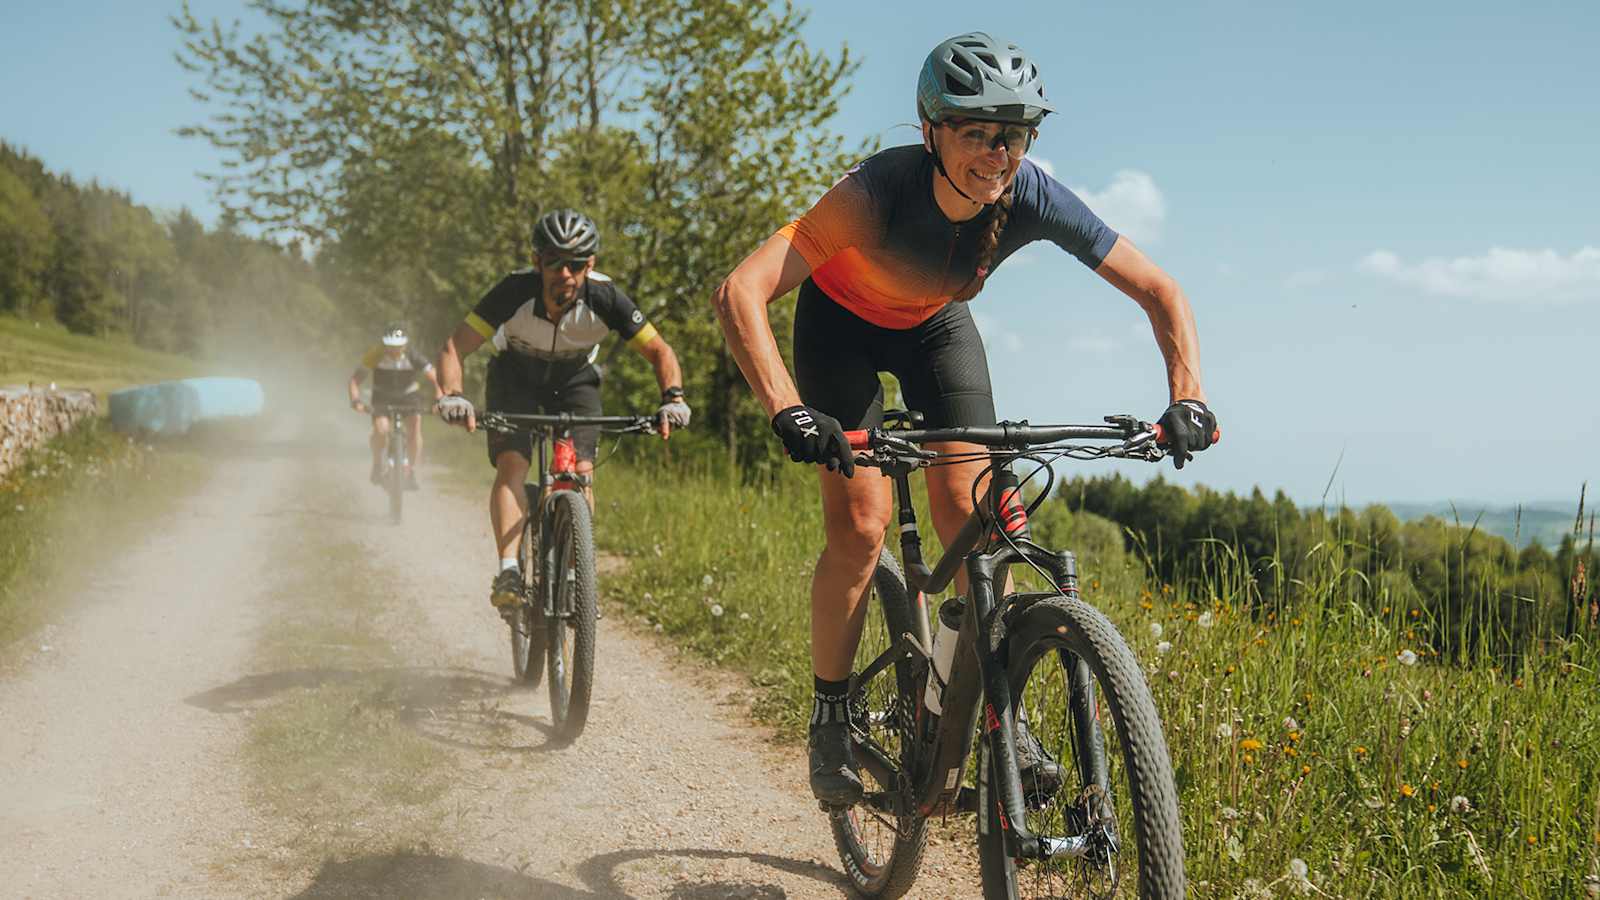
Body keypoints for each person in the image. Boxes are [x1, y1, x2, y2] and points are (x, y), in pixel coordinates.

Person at [711, 33, 1219, 805]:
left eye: (1014, 133)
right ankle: (830, 713)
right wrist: (787, 410)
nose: (998, 152)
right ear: (930, 131)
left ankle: (991, 709)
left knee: (980, 516)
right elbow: (740, 292)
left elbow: (1160, 289)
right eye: (978, 131)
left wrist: (1188, 395)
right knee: (862, 524)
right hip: (840, 328)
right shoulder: (875, 193)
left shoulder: (1033, 194)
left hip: (936, 328)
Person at [436, 208, 691, 610]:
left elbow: (659, 351)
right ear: (538, 261)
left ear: (590, 264)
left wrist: (673, 398)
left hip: (574, 379)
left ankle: (576, 575)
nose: (565, 273)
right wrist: (452, 394)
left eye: (576, 263)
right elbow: (455, 346)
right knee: (512, 465)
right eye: (555, 261)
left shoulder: (606, 297)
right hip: (515, 375)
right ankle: (509, 570)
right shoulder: (513, 291)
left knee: (581, 473)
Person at [349, 321, 441, 490]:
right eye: (390, 346)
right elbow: (355, 380)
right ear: (384, 343)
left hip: (408, 396)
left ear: (405, 344)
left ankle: (411, 470)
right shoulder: (375, 355)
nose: (394, 350)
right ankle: (377, 463)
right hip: (382, 397)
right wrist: (355, 400)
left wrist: (439, 400)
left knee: (415, 426)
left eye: (398, 346)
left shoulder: (413, 356)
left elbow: (435, 377)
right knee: (381, 430)